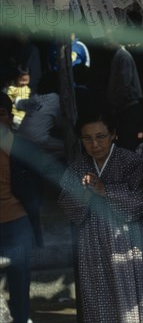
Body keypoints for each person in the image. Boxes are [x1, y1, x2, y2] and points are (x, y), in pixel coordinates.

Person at [57, 111, 143, 322]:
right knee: (97, 300)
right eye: (87, 138)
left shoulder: (130, 161)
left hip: (127, 243)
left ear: (113, 134)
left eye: (101, 136)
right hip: (92, 245)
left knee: (130, 301)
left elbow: (139, 204)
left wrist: (105, 190)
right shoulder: (78, 167)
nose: (94, 144)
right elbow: (65, 205)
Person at [0, 93, 44, 323]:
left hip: (18, 224)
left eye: (2, 114)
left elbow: (37, 185)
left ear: (8, 116)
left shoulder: (22, 148)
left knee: (19, 287)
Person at [107, 42, 143, 151]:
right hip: (125, 107)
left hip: (127, 107)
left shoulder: (123, 56)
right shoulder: (121, 55)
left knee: (128, 143)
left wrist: (115, 103)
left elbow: (125, 84)